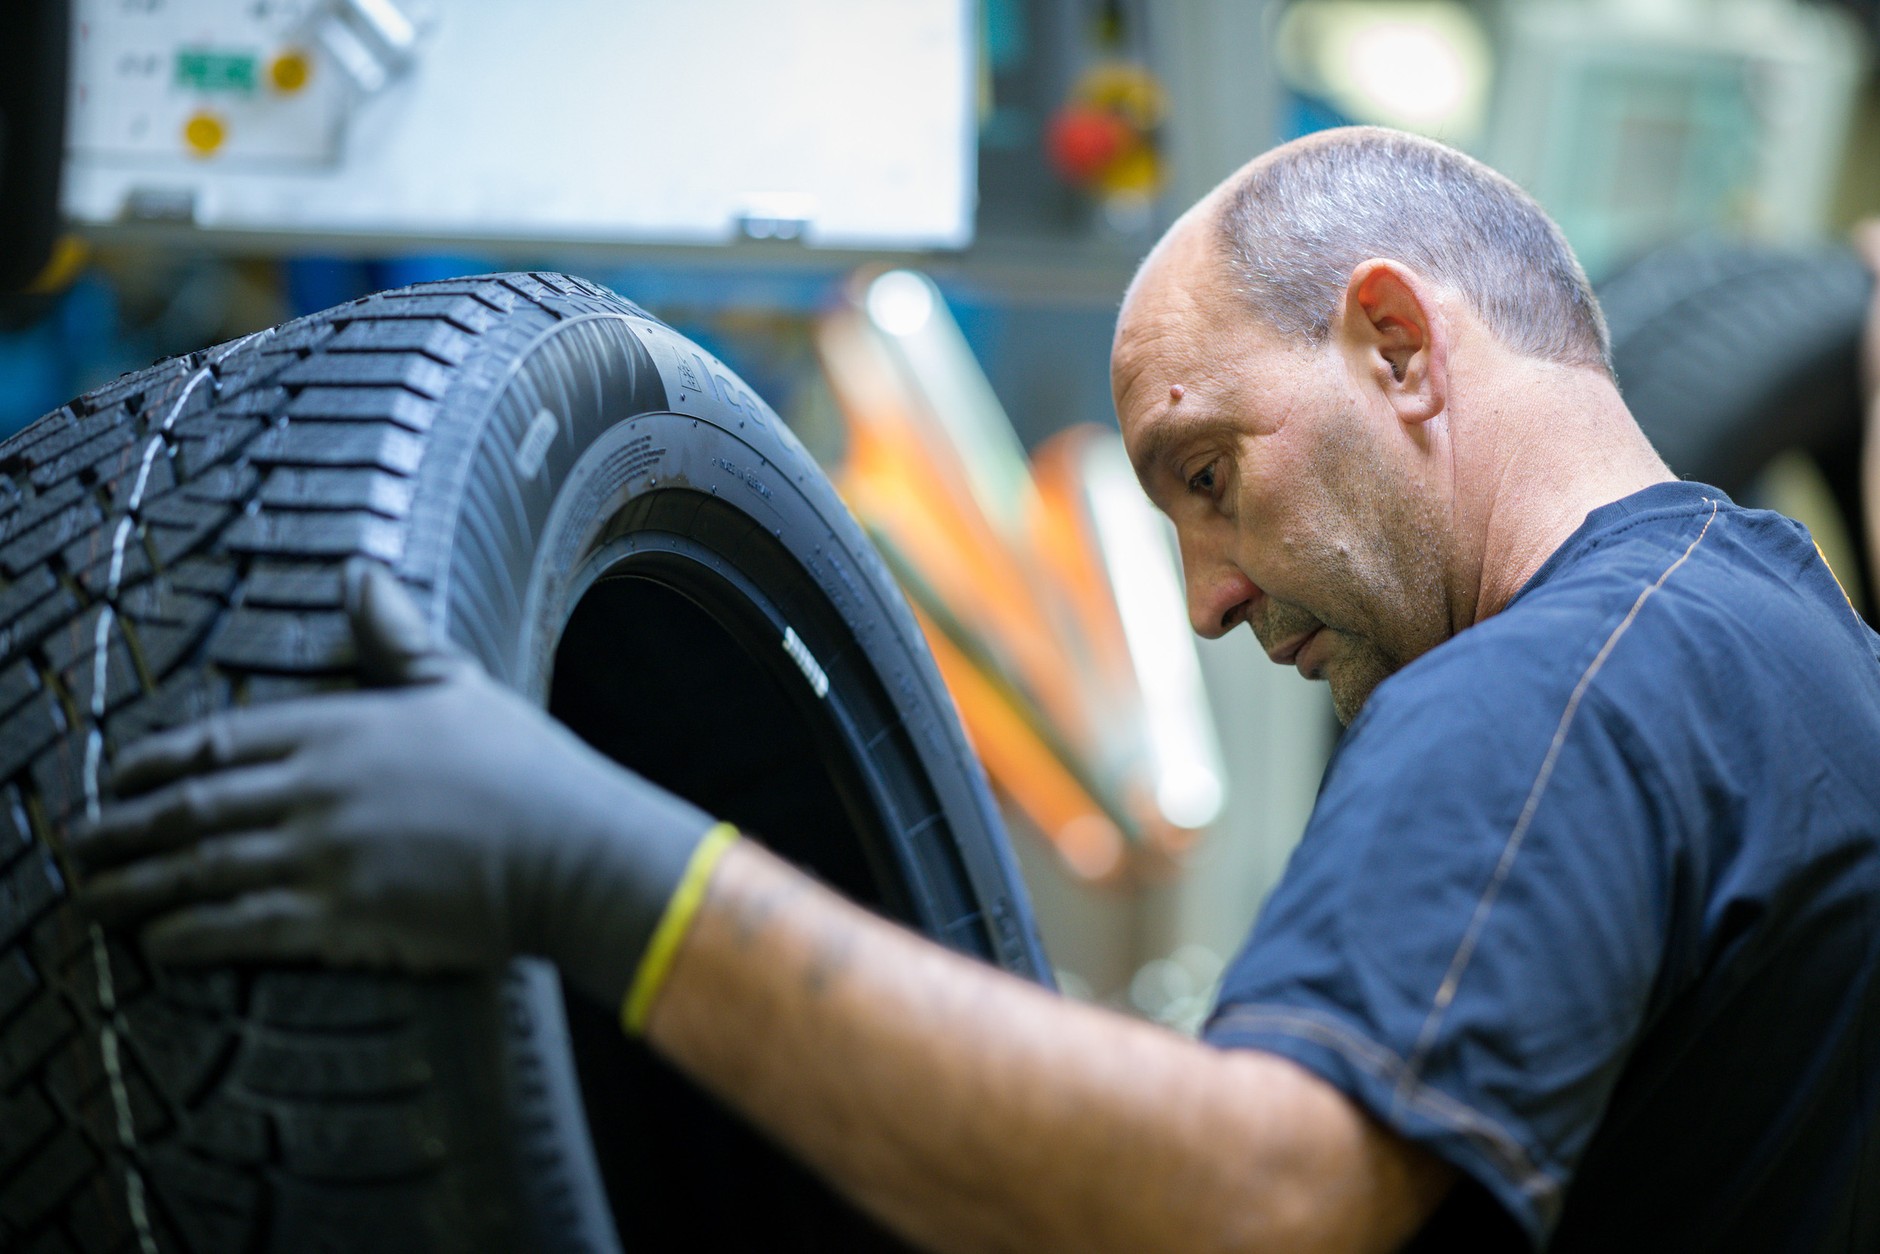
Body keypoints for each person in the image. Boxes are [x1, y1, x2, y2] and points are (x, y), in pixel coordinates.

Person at [73, 128, 1880, 1252]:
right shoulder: (1796, 647)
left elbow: (1262, 1201)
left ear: (1400, 345)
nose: (1203, 598)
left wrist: (602, 871)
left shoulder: (1546, 692)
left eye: (1205, 473)